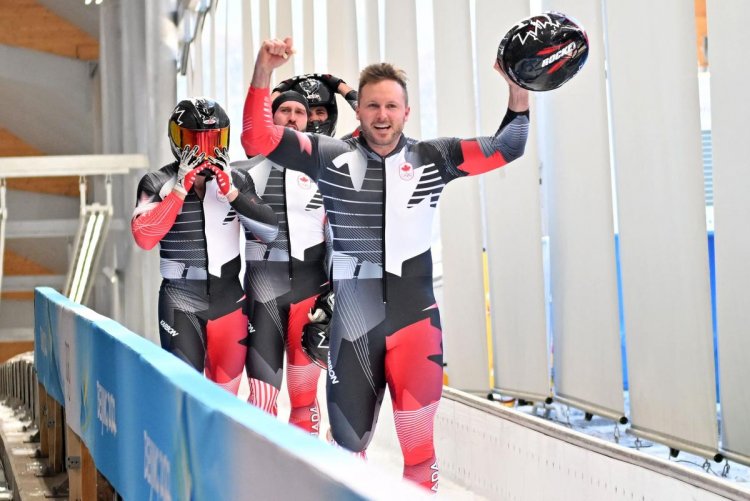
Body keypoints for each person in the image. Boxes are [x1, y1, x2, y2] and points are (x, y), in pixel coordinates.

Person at [241, 37, 530, 492]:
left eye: (391, 106)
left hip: (415, 319)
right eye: (373, 105)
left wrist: (518, 87)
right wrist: (263, 71)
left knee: (418, 451)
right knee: (346, 450)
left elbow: (508, 146)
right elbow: (258, 138)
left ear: (406, 112)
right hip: (354, 321)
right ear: (359, 110)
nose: (381, 115)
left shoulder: (432, 157)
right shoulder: (328, 155)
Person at [131, 97, 278, 395]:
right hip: (181, 299)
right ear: (177, 140)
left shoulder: (237, 179)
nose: (204, 151)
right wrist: (179, 190)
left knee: (226, 401)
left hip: (229, 302)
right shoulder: (156, 181)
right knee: (185, 395)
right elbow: (144, 238)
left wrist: (233, 194)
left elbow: (270, 232)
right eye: (195, 141)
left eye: (213, 140)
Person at [234, 90, 329, 434]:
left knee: (304, 398)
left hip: (311, 292)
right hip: (263, 294)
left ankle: (307, 477)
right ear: (270, 119)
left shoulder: (326, 169)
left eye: (299, 112)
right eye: (284, 110)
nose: (292, 117)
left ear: (309, 120)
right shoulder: (243, 171)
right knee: (261, 400)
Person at [271, 73, 358, 136]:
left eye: (320, 112)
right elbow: (259, 121)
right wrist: (279, 90)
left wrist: (339, 85)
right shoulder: (279, 153)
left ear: (331, 115)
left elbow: (369, 114)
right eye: (307, 113)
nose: (313, 119)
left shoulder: (344, 149)